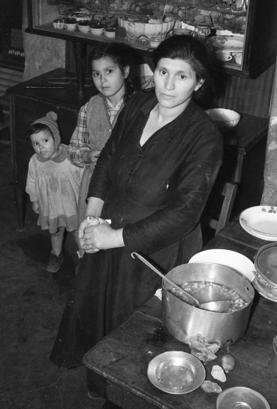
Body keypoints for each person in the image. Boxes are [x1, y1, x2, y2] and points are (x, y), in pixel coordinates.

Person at [50, 35, 223, 369]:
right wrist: (93, 212)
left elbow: (185, 213)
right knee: (94, 309)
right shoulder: (138, 104)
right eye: (162, 72)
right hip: (110, 223)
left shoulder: (203, 137)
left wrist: (113, 238)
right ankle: (98, 377)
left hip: (155, 249)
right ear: (152, 71)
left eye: (182, 76)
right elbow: (108, 156)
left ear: (198, 82)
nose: (168, 85)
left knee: (136, 335)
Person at [67, 42, 139, 245]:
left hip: (127, 190)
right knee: (90, 237)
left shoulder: (140, 108)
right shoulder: (88, 108)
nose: (103, 80)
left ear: (125, 71)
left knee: (117, 239)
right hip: (93, 187)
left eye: (109, 71)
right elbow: (73, 149)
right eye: (96, 74)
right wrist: (87, 155)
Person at [25, 112, 83, 273]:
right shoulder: (35, 162)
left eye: (45, 140)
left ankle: (83, 258)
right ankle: (56, 254)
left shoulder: (71, 156)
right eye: (35, 143)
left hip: (71, 205)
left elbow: (83, 176)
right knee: (56, 231)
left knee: (76, 231)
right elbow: (31, 182)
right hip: (51, 206)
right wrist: (35, 200)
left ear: (56, 138)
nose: (41, 147)